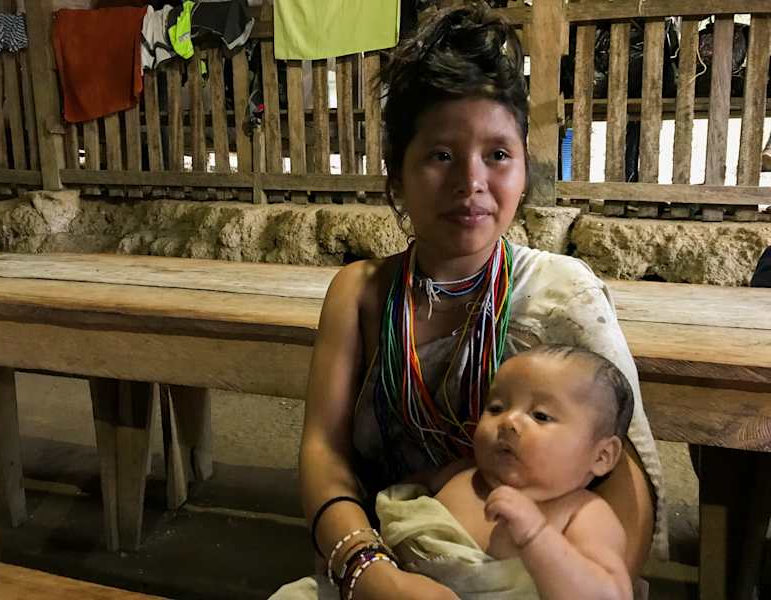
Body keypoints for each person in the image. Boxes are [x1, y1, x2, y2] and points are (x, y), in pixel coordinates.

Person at [274, 3, 666, 598]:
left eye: (498, 154)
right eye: (440, 155)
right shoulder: (359, 294)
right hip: (396, 559)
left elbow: (623, 479)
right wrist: (368, 573)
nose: (472, 181)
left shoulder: (562, 292)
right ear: (396, 177)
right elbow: (323, 451)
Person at [275, 345, 634, 599]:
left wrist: (538, 537)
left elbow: (608, 593)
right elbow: (397, 499)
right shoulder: (460, 473)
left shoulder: (582, 513)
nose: (509, 421)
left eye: (541, 415)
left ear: (602, 456)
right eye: (496, 407)